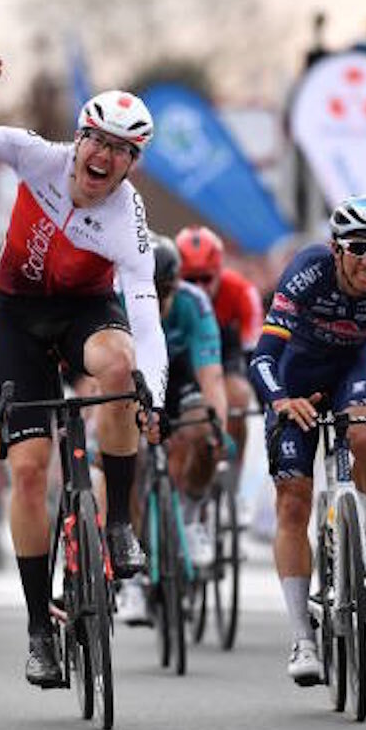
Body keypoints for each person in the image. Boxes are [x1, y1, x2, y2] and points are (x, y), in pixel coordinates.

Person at [0, 48, 167, 688]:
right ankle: (39, 627)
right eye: (99, 140)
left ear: (132, 163)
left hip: (86, 311)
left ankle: (117, 525)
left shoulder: (127, 216)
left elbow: (143, 311)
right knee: (29, 474)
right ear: (80, 137)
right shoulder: (36, 157)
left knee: (119, 367)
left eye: (122, 151)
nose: (105, 157)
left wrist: (156, 391)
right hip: (18, 320)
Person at [249, 196, 366, 687]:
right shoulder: (306, 271)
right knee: (292, 505)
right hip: (297, 375)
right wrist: (281, 400)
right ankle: (302, 638)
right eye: (359, 249)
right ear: (335, 249)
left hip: (354, 366)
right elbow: (262, 357)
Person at [118, 234, 227, 625]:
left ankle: (193, 514)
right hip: (134, 382)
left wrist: (218, 427)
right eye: (152, 290)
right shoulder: (118, 299)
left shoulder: (193, 303)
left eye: (166, 291)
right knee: (127, 458)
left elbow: (211, 375)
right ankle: (131, 577)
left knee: (203, 432)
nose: (160, 300)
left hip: (179, 378)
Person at [174, 225, 262, 475]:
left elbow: (253, 347)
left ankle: (233, 470)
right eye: (190, 279)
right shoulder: (171, 294)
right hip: (185, 351)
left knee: (238, 397)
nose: (199, 288)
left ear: (219, 272)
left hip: (226, 349)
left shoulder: (242, 290)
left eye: (206, 278)